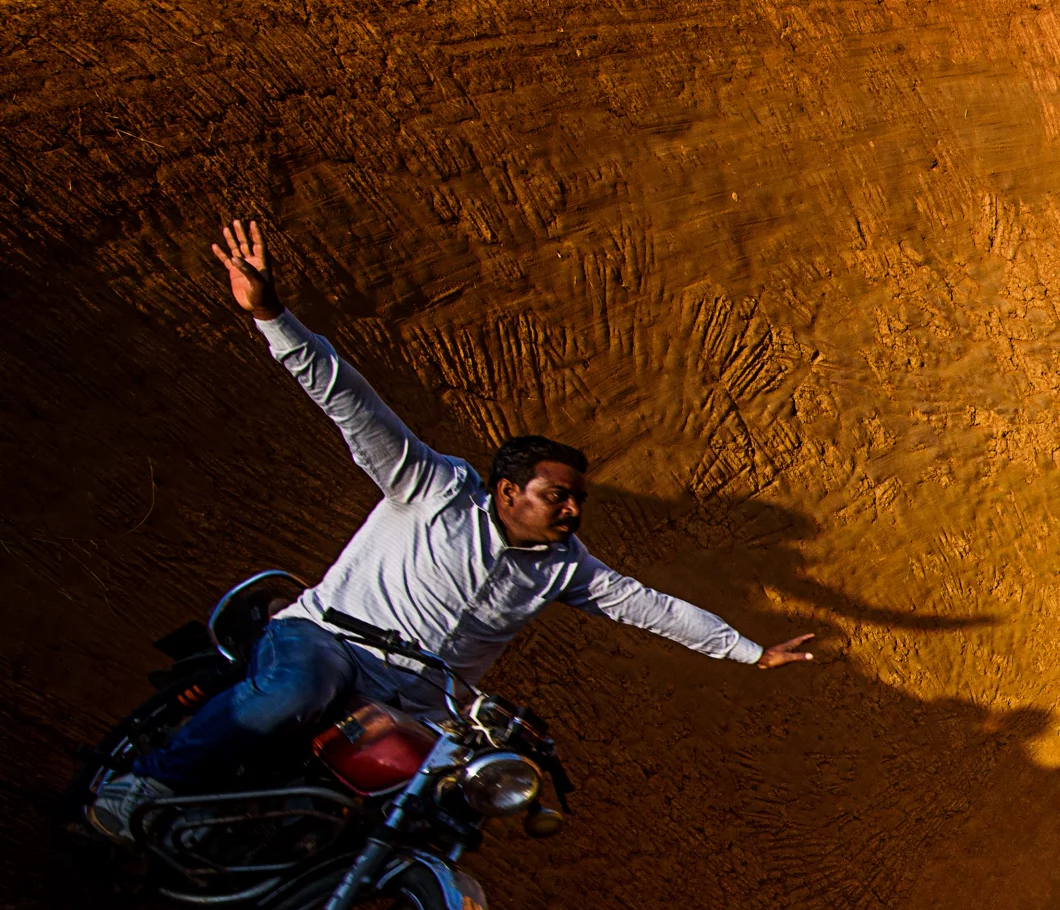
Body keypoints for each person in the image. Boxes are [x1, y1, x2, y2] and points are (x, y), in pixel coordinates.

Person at [89, 220, 817, 844]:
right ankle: (139, 788)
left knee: (449, 806)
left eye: (576, 501)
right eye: (557, 497)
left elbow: (646, 605)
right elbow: (349, 401)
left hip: (405, 705)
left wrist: (748, 652)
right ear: (508, 490)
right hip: (328, 645)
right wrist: (273, 315)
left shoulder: (564, 568)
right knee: (294, 692)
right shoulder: (431, 487)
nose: (571, 512)